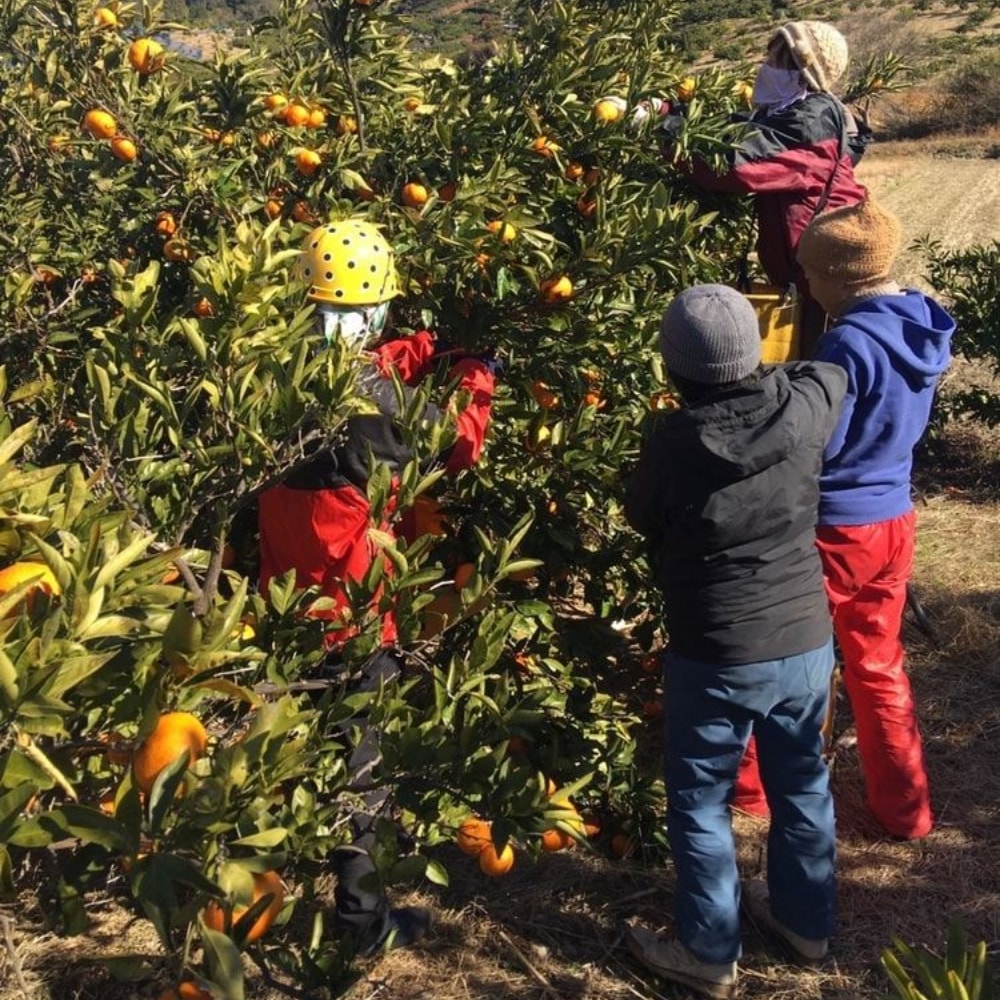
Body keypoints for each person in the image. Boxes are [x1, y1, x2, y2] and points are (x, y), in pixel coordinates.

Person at [258, 218, 496, 955]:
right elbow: (458, 440)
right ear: (373, 311)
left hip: (283, 605)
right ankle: (362, 923)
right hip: (354, 619)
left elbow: (367, 370)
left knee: (289, 750)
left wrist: (421, 349)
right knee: (360, 766)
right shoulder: (370, 409)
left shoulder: (270, 368)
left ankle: (267, 876)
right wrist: (476, 372)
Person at [623, 285, 847, 998]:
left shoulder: (670, 446)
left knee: (700, 800)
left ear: (673, 369)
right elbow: (831, 372)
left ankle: (711, 952)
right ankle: (804, 921)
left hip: (715, 650)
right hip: (805, 640)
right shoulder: (805, 407)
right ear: (756, 352)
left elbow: (643, 518)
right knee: (802, 780)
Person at [735, 197, 954, 841]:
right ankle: (906, 807)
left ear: (838, 278)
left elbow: (817, 444)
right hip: (893, 518)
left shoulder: (845, 346)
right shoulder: (918, 325)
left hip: (837, 527)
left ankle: (752, 792)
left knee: (782, 650)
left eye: (811, 277)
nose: (807, 287)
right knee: (878, 662)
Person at [669, 20, 869, 356]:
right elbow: (736, 126)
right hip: (807, 273)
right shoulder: (789, 112)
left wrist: (666, 134)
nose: (766, 68)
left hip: (829, 278)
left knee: (819, 368)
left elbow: (734, 166)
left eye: (776, 61)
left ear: (802, 72)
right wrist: (671, 113)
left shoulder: (810, 122)